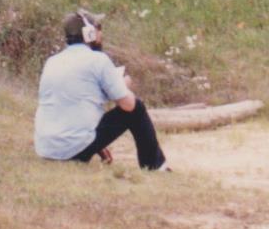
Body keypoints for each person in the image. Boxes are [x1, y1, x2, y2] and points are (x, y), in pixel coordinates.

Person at [33, 9, 169, 170]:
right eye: (98, 28)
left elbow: (74, 109)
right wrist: (122, 85)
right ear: (90, 33)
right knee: (137, 107)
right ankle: (155, 166)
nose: (101, 33)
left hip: (46, 148)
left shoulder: (52, 61)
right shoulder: (98, 60)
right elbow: (128, 105)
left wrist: (98, 145)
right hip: (73, 150)